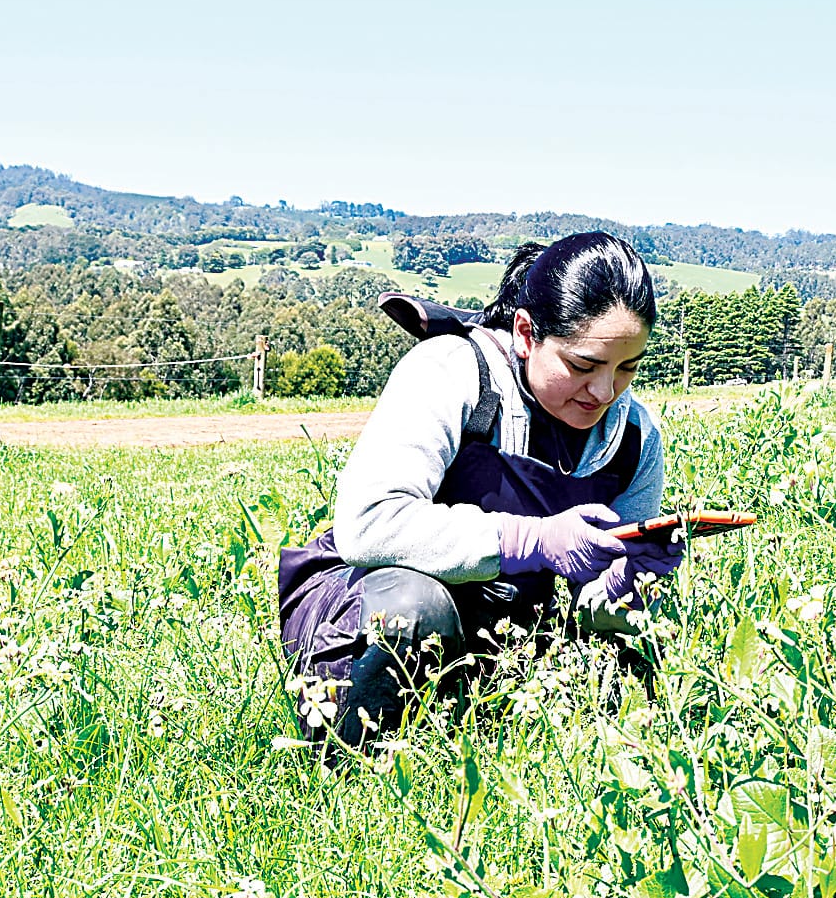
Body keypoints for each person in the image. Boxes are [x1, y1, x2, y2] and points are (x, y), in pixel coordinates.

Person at [276, 232, 681, 749]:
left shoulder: (633, 438)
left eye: (628, 367)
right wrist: (531, 540)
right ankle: (348, 768)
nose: (603, 392)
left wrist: (625, 578)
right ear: (526, 332)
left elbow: (593, 611)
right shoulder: (452, 372)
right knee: (411, 610)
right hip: (369, 592)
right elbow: (369, 525)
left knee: (634, 646)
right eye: (582, 366)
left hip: (508, 626)